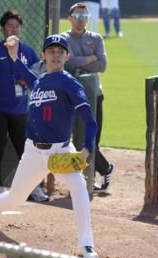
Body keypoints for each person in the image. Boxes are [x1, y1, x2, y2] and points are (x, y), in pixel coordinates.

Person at [0, 34, 100, 258]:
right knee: (14, 198)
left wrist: (86, 149)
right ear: (43, 55)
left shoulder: (70, 84)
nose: (56, 55)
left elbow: (90, 120)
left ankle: (87, 245)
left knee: (79, 188)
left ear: (67, 56)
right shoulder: (38, 80)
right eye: (51, 51)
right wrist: (14, 55)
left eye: (60, 52)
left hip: (62, 151)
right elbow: (23, 72)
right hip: (33, 152)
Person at [0, 10, 48, 202]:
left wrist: (28, 79)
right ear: (3, 29)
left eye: (16, 26)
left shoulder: (27, 51)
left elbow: (39, 70)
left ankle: (32, 188)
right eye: (10, 26)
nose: (13, 29)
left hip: (20, 111)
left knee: (26, 151)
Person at [62, 2, 113, 193]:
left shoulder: (96, 38)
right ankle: (81, 180)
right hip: (71, 95)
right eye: (77, 16)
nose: (81, 20)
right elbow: (67, 62)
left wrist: (80, 63)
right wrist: (90, 59)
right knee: (72, 137)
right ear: (70, 17)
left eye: (84, 17)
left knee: (92, 138)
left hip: (94, 94)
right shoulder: (64, 38)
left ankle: (97, 173)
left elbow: (103, 66)